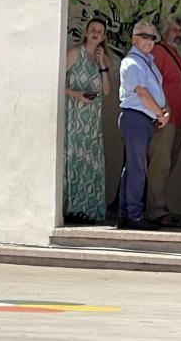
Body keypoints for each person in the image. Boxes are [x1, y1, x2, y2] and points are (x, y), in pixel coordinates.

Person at [118, 20, 169, 230]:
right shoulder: (132, 62)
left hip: (145, 120)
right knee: (137, 169)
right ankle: (135, 216)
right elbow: (142, 93)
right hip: (136, 118)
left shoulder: (147, 61)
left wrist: (163, 111)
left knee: (133, 168)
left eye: (152, 37)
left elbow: (154, 92)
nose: (149, 41)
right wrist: (160, 112)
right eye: (144, 36)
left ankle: (125, 214)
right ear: (134, 38)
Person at [63, 17, 112, 224]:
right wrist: (77, 94)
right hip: (74, 117)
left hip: (91, 122)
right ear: (86, 32)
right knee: (73, 160)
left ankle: (87, 209)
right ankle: (71, 208)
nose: (95, 33)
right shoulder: (75, 53)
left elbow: (107, 90)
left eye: (99, 31)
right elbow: (56, 81)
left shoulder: (103, 58)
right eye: (92, 29)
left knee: (90, 163)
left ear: (103, 37)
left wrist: (102, 65)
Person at [147, 15, 181, 227]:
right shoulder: (158, 52)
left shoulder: (174, 54)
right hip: (164, 120)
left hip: (178, 121)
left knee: (167, 165)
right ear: (164, 32)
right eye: (174, 30)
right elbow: (152, 83)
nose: (178, 34)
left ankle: (159, 206)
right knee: (160, 164)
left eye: (180, 31)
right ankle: (155, 210)